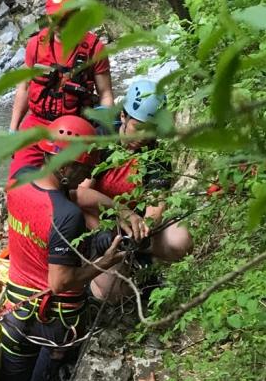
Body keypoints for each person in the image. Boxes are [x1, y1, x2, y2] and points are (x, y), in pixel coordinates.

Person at [0, 116, 123, 381]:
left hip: (14, 310)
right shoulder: (64, 215)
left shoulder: (19, 182)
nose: (86, 172)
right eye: (82, 164)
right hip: (53, 321)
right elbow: (61, 282)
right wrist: (108, 259)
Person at [74, 77, 193, 300]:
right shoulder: (100, 141)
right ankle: (96, 279)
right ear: (123, 117)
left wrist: (142, 230)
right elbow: (79, 194)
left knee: (180, 240)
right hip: (97, 224)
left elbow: (155, 205)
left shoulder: (155, 156)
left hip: (132, 228)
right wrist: (114, 218)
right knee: (109, 292)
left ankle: (138, 262)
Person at [9, 0, 114, 134]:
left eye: (65, 18)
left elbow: (105, 94)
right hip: (37, 123)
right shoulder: (35, 45)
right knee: (20, 157)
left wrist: (107, 128)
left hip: (76, 125)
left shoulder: (94, 49)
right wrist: (13, 129)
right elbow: (24, 88)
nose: (59, 23)